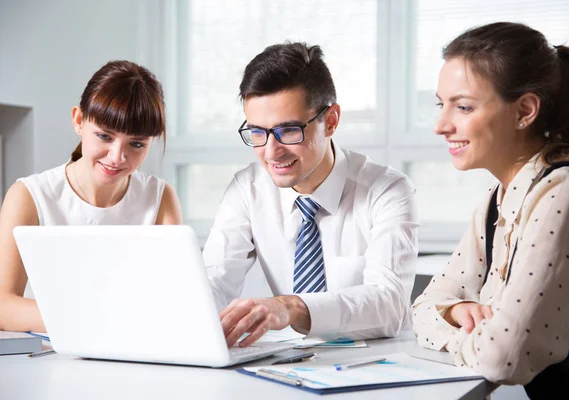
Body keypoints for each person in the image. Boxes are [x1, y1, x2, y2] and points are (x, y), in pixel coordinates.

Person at [411, 22, 569, 397]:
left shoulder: (566, 194)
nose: (440, 126)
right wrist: (456, 311)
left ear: (525, 111)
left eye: (463, 106)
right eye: (441, 103)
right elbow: (422, 307)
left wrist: (455, 331)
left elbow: (502, 358)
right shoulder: (496, 201)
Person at [204, 42, 419, 348]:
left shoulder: (387, 190)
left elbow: (390, 304)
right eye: (257, 132)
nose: (271, 151)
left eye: (288, 130)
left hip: (377, 364)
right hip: (292, 363)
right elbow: (215, 279)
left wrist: (291, 307)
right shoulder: (246, 189)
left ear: (330, 121)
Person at [0, 60, 182, 333]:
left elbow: (175, 300)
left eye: (136, 144)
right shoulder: (29, 196)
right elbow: (4, 306)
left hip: (133, 350)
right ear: (78, 120)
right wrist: (101, 317)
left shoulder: (160, 197)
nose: (117, 157)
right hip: (52, 352)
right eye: (104, 136)